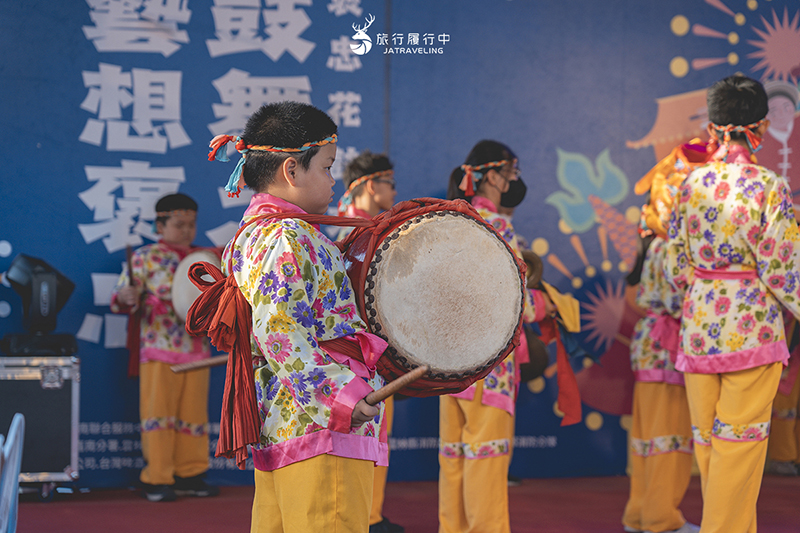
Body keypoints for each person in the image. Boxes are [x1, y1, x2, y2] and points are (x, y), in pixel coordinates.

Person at [209, 101, 388, 533]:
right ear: (291, 170)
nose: (332, 180)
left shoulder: (251, 235)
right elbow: (279, 332)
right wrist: (342, 395)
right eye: (327, 167)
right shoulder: (289, 236)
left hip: (288, 420)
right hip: (321, 426)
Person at [665, 74, 800, 533]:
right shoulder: (769, 185)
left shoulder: (689, 185)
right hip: (752, 329)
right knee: (739, 450)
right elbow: (784, 267)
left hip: (700, 327)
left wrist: (706, 288)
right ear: (759, 127)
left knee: (710, 445)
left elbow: (675, 266)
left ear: (714, 124)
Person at [440, 140, 555, 533]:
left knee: (454, 456)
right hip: (489, 361)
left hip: (446, 358)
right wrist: (544, 308)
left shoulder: (450, 219)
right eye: (511, 175)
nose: (513, 183)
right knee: (486, 458)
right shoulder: (499, 225)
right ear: (492, 176)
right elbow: (513, 299)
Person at [621, 141, 710, 533]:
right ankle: (661, 518)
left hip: (649, 344)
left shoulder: (652, 244)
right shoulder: (672, 246)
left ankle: (640, 513)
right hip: (668, 343)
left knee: (646, 436)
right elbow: (677, 298)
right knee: (669, 435)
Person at [110, 193, 219, 502]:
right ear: (160, 225)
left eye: (191, 224)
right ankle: (157, 477)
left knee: (193, 417)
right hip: (158, 348)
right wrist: (127, 297)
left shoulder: (204, 260)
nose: (186, 230)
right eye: (179, 224)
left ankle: (191, 473)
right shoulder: (145, 257)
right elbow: (120, 296)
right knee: (159, 416)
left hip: (196, 350)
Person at [338, 151, 403, 533]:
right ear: (369, 184)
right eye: (390, 183)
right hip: (357, 351)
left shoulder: (361, 227)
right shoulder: (351, 230)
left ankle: (370, 514)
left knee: (375, 432)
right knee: (365, 431)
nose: (395, 190)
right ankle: (363, 517)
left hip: (371, 350)